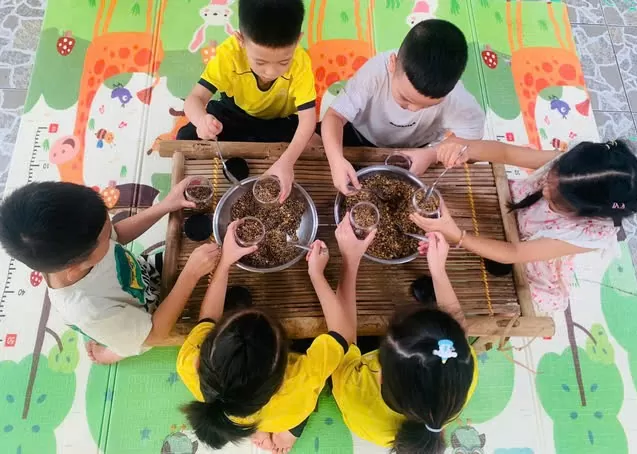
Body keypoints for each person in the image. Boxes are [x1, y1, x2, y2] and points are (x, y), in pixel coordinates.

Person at [177, 218, 373, 453]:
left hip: (243, 415)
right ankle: (286, 434)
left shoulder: (187, 365)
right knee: (295, 417)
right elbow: (343, 335)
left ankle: (253, 427)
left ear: (200, 360)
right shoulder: (302, 380)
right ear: (286, 368)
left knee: (251, 420)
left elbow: (207, 318)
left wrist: (226, 262)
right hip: (289, 413)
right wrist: (317, 275)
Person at [0, 179, 220, 364]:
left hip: (146, 275)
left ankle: (117, 345)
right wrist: (190, 275)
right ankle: (111, 353)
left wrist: (166, 205)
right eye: (105, 235)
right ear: (76, 265)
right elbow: (155, 334)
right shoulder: (88, 310)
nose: (111, 231)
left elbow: (117, 235)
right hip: (147, 323)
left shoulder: (78, 248)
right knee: (129, 341)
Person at [412, 137, 637, 312]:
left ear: (588, 212)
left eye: (558, 200)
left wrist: (457, 235)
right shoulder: (576, 167)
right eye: (551, 177)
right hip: (515, 208)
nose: (544, 189)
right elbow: (505, 152)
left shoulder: (592, 233)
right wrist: (463, 148)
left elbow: (514, 252)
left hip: (529, 249)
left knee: (500, 277)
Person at [331, 230, 477, 453]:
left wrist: (350, 261)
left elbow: (340, 336)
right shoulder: (458, 365)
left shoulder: (357, 390)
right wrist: (438, 272)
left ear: (379, 375)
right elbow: (459, 336)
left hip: (362, 415)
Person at [321, 19, 484, 195]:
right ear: (393, 63)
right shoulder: (376, 72)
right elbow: (334, 116)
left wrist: (433, 155)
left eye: (426, 106)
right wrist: (336, 159)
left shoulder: (457, 99)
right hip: (361, 134)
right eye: (405, 99)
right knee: (316, 141)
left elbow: (471, 143)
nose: (412, 109)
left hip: (416, 150)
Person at [179, 0, 317, 202]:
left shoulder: (301, 62)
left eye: (283, 62)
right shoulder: (229, 54)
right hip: (235, 112)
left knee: (315, 143)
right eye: (260, 62)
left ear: (298, 40)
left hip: (277, 121)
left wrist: (286, 162)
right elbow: (195, 98)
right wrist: (201, 121)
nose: (271, 72)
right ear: (240, 39)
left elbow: (307, 119)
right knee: (186, 135)